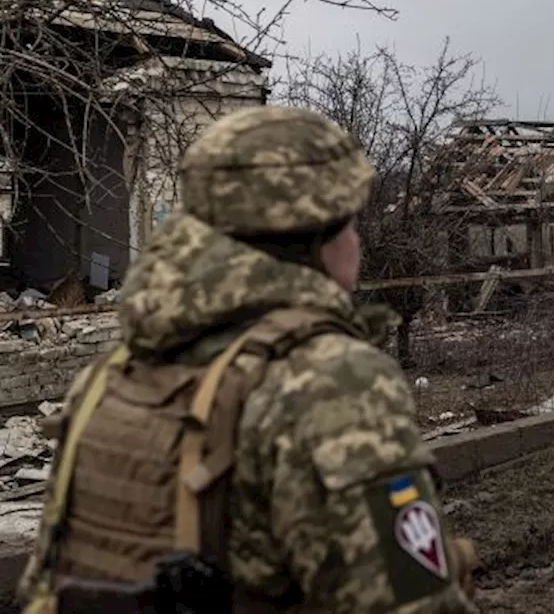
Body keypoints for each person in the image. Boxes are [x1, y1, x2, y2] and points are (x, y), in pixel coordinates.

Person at [17, 105, 479, 613]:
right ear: (310, 237)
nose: (358, 242)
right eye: (349, 222)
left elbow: (43, 588)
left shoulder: (110, 377)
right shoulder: (328, 383)